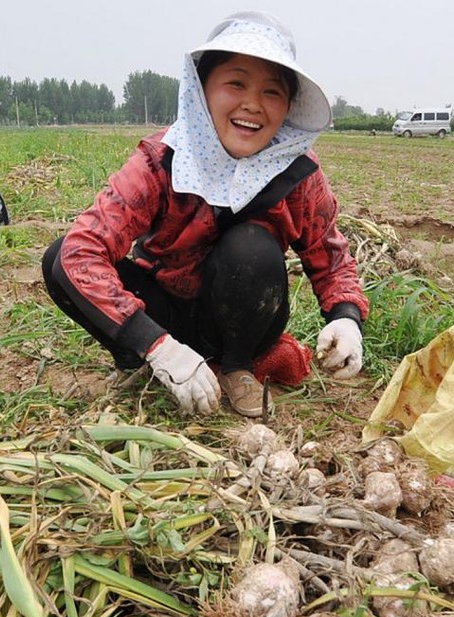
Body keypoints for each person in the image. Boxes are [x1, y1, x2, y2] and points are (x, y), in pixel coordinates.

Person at [41, 10, 367, 418]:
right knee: (59, 259)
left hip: (243, 317)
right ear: (203, 90)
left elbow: (329, 253)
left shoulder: (297, 171)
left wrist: (345, 316)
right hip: (166, 313)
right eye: (235, 83)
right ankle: (149, 359)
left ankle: (236, 367)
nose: (252, 104)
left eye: (272, 92)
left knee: (250, 245)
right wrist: (155, 343)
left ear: (287, 106)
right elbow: (82, 250)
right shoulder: (160, 162)